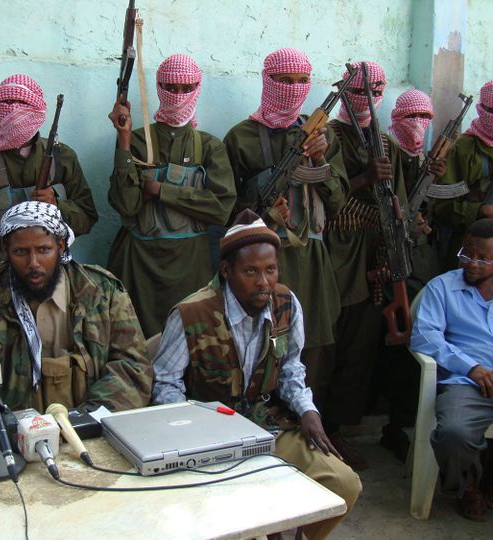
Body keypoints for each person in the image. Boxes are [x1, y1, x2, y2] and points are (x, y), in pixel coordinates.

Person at [152, 210, 361, 540]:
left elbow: (291, 368)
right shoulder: (192, 313)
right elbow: (166, 383)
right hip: (211, 436)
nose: (263, 281)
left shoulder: (286, 304)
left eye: (270, 269)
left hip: (268, 425)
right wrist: (190, 437)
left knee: (343, 483)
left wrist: (308, 410)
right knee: (238, 512)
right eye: (251, 271)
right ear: (226, 271)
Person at [0, 201, 152, 411]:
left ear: (61, 246)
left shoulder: (101, 292)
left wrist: (87, 419)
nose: (33, 263)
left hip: (88, 428)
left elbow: (134, 369)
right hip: (13, 434)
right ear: (4, 249)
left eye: (43, 250)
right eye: (21, 252)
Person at [223, 47, 348, 406]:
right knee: (263, 342)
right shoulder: (241, 137)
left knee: (316, 345)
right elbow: (226, 209)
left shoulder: (323, 136)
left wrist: (321, 158)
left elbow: (338, 200)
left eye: (301, 81)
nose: (293, 88)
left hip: (312, 257)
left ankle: (311, 423)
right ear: (266, 80)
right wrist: (261, 211)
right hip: (261, 262)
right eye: (283, 80)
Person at [107, 53, 236, 337]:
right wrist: (124, 140)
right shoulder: (138, 140)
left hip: (191, 266)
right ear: (158, 88)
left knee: (190, 344)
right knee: (135, 345)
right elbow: (126, 205)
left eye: (187, 88)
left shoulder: (209, 147)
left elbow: (220, 209)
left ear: (197, 89)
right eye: (171, 87)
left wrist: (162, 190)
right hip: (139, 265)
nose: (179, 95)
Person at [321, 60, 409, 469]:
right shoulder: (331, 135)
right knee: (328, 346)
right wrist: (365, 179)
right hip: (338, 254)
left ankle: (338, 429)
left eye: (374, 90)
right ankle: (316, 428)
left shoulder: (385, 143)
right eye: (359, 90)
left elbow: (399, 204)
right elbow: (331, 199)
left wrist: (398, 212)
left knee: (359, 351)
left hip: (376, 252)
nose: (366, 98)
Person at [0, 74, 98, 279]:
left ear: (37, 109)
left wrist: (58, 206)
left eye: (22, 104)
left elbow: (87, 217)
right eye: (7, 104)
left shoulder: (63, 158)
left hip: (53, 278)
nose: (14, 111)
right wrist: (8, 265)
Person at [374, 89, 446, 460]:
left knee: (420, 342)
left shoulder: (423, 160)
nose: (419, 124)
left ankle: (407, 421)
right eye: (412, 115)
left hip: (423, 266)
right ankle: (394, 425)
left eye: (426, 117)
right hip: (394, 265)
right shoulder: (390, 156)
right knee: (397, 350)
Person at [410, 218, 493, 521]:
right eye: (466, 253)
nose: (472, 263)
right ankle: (467, 487)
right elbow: (425, 336)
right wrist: (470, 367)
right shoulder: (442, 287)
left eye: (483, 258)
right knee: (453, 433)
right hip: (465, 384)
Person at [432, 80, 493, 270]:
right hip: (472, 250)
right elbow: (441, 206)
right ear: (482, 109)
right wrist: (480, 211)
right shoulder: (464, 148)